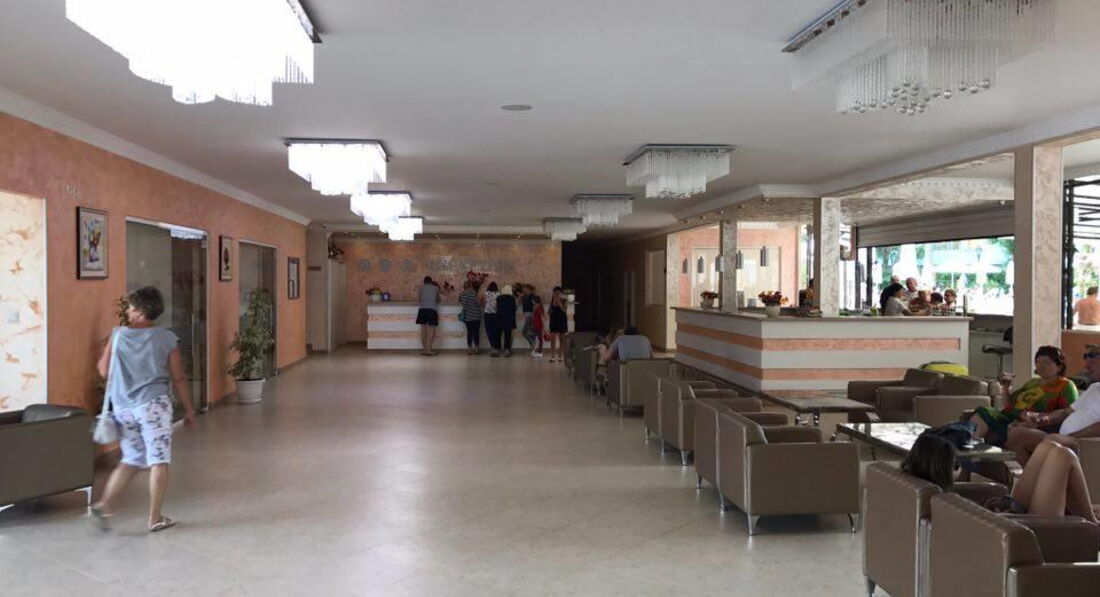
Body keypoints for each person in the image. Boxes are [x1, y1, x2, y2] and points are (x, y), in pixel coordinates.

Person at [91, 286, 196, 533]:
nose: (128, 311)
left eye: (131, 307)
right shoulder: (166, 338)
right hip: (153, 406)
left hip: (123, 408)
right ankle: (154, 518)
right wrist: (189, 409)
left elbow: (103, 370)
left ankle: (105, 504)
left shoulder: (118, 335)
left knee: (131, 459)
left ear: (141, 311)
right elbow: (178, 377)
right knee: (159, 460)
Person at [903, 434, 1099, 523]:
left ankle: (1090, 514)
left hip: (1009, 518)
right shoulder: (944, 502)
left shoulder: (926, 493)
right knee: (1063, 456)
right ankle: (1092, 525)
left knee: (1048, 448)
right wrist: (1000, 515)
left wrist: (991, 508)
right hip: (1034, 529)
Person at [1006, 344, 1100, 465]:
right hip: (1064, 438)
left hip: (1085, 443)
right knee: (1017, 434)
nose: (1086, 366)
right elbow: (1066, 412)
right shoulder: (1094, 388)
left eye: (1092, 362)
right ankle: (1026, 476)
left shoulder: (1065, 385)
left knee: (1049, 442)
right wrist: (1041, 418)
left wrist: (1073, 437)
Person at [969, 346, 1077, 446]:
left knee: (991, 420)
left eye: (1046, 362)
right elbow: (1009, 405)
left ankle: (973, 446)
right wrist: (1006, 388)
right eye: (1038, 361)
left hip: (1034, 424)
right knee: (983, 412)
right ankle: (971, 447)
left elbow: (1069, 414)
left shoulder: (1066, 385)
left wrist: (1040, 420)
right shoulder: (1033, 382)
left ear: (1059, 367)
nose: (1041, 366)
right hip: (1009, 418)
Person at [416, 276, 440, 356]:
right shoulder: (436, 288)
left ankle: (424, 350)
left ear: (424, 282)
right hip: (432, 310)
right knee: (431, 330)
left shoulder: (421, 288)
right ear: (431, 281)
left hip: (422, 310)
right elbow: (438, 300)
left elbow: (419, 299)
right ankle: (429, 350)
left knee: (423, 330)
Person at [458, 281, 482, 355]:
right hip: (476, 316)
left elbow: (460, 302)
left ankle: (469, 349)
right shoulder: (474, 293)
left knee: (469, 333)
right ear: (470, 286)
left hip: (468, 317)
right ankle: (477, 349)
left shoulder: (462, 294)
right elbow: (479, 303)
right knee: (476, 333)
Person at [496, 284, 518, 357]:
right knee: (507, 336)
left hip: (499, 319)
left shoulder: (498, 298)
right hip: (509, 319)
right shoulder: (512, 299)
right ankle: (507, 350)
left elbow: (496, 307)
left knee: (498, 335)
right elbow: (514, 309)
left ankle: (497, 350)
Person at [548, 286, 568, 363]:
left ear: (560, 293)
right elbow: (549, 312)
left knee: (561, 339)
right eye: (554, 293)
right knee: (553, 339)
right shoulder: (552, 300)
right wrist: (551, 307)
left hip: (562, 320)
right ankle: (552, 356)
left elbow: (564, 310)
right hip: (553, 321)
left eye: (557, 293)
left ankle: (560, 356)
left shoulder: (564, 300)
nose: (556, 294)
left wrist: (559, 303)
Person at [483, 282, 501, 357]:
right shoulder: (498, 294)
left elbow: (483, 302)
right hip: (495, 314)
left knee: (489, 331)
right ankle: (496, 349)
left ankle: (492, 347)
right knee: (495, 332)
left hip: (487, 314)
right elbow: (498, 305)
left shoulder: (486, 293)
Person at [520, 285, 538, 350]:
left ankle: (533, 344)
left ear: (528, 289)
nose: (523, 289)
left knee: (524, 331)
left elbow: (535, 304)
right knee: (531, 331)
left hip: (530, 314)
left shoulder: (532, 296)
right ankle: (533, 346)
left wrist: (533, 314)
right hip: (527, 314)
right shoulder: (524, 296)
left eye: (524, 288)